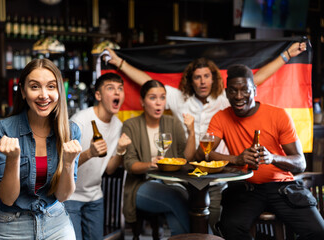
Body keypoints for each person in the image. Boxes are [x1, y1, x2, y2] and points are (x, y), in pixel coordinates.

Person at [105, 41, 307, 231]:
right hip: (187, 169)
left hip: (219, 169)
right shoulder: (179, 98)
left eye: (206, 76)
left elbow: (257, 79)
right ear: (190, 81)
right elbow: (149, 84)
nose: (202, 81)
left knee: (216, 215)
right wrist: (119, 62)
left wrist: (287, 54)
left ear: (214, 78)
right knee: (187, 207)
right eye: (197, 77)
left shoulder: (226, 97)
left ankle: (208, 234)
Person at [195, 64, 324, 240]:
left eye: (245, 91)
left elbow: (300, 163)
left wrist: (273, 158)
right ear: (226, 93)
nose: (239, 97)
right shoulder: (220, 117)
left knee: (318, 231)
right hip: (246, 189)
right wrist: (237, 159)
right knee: (230, 227)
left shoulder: (279, 115)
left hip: (281, 187)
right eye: (233, 91)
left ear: (254, 90)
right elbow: (201, 154)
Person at [0, 58, 82, 240]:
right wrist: (13, 159)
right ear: (23, 91)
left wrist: (69, 163)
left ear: (59, 91)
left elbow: (62, 196)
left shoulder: (71, 131)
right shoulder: (3, 130)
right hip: (12, 226)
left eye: (51, 86)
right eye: (34, 87)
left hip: (56, 223)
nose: (43, 95)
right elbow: (7, 198)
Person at [122, 80, 196, 236]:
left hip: (170, 183)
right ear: (142, 101)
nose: (158, 103)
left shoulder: (173, 122)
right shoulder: (131, 125)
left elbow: (186, 158)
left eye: (162, 97)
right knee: (176, 197)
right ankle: (202, 237)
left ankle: (190, 238)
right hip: (141, 186)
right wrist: (151, 164)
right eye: (153, 98)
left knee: (176, 208)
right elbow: (130, 165)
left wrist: (192, 132)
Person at [64, 73, 131, 240]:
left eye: (120, 89)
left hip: (94, 196)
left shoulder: (118, 125)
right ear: (98, 95)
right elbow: (61, 163)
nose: (117, 93)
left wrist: (121, 151)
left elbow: (109, 169)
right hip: (70, 196)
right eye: (110, 88)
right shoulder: (79, 121)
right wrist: (90, 153)